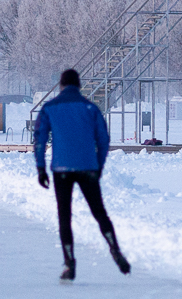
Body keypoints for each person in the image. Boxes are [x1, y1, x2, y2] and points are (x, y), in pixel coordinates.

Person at [33, 69, 131, 282]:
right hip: (88, 167)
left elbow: (40, 138)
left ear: (61, 85)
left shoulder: (50, 108)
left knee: (64, 217)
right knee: (99, 212)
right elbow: (104, 139)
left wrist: (40, 168)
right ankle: (114, 249)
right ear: (79, 86)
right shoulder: (90, 108)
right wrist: (99, 166)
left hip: (61, 170)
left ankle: (69, 264)